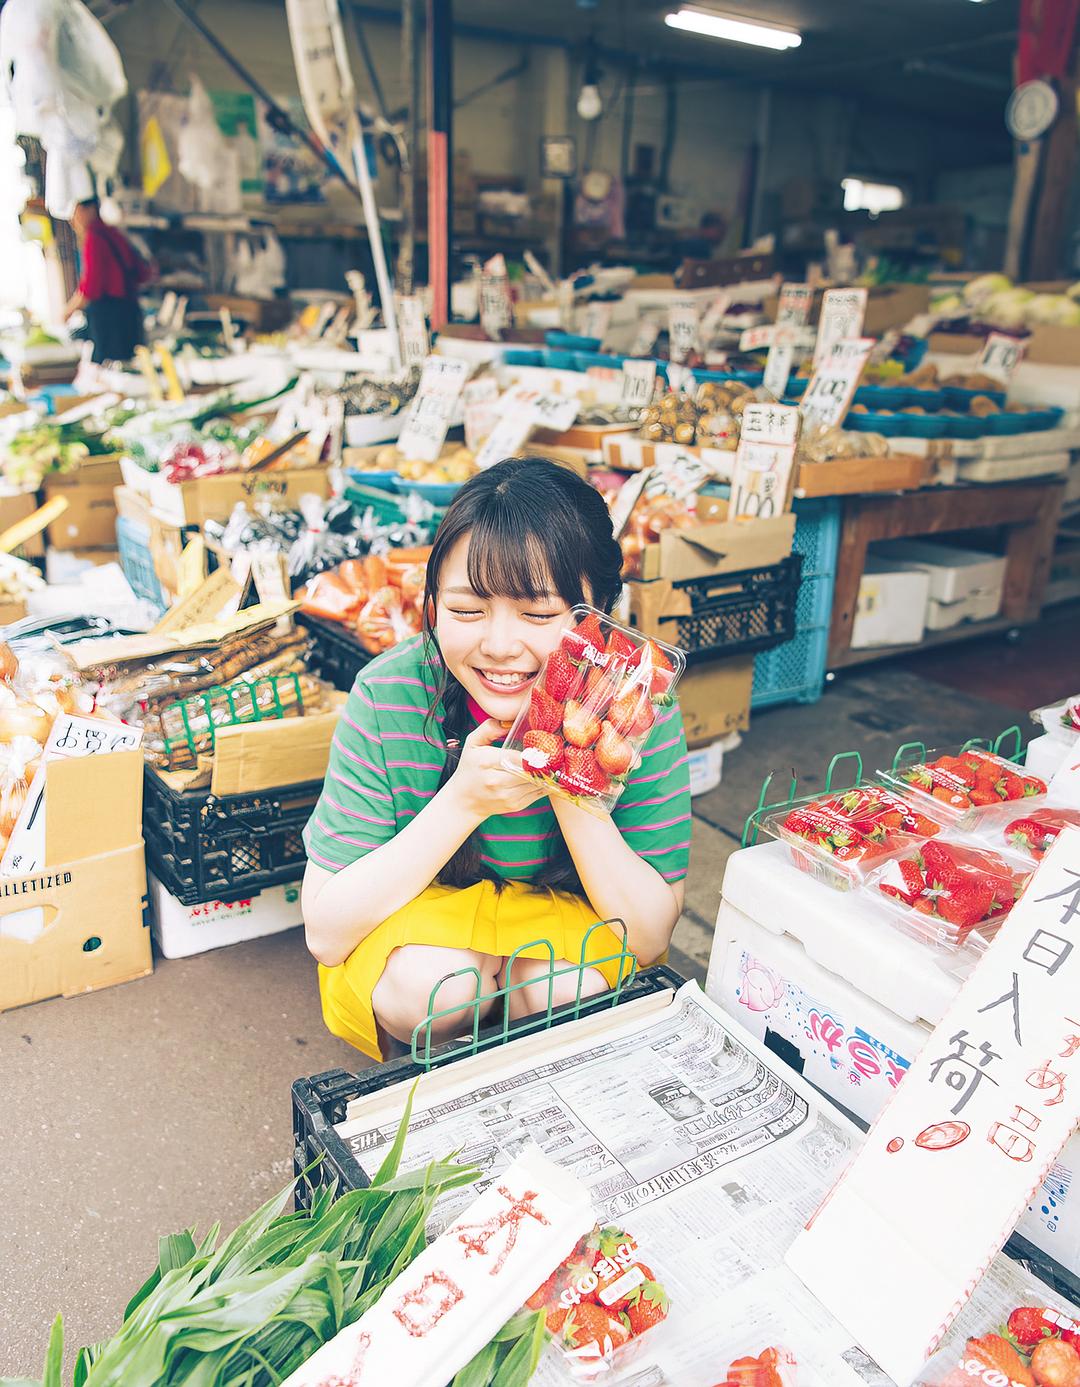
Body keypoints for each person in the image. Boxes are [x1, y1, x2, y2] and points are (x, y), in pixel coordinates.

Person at [302, 457, 691, 1061]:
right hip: (428, 931)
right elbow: (326, 932)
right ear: (431, 604)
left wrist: (568, 779)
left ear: (601, 613)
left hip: (564, 930)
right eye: (465, 610)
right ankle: (451, 1059)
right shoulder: (389, 695)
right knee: (435, 990)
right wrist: (461, 802)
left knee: (570, 989)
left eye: (539, 615)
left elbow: (646, 935)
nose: (500, 646)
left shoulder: (633, 709)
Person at [63, 198, 152, 363]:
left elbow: (91, 287)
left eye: (75, 212)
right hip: (130, 314)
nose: (72, 220)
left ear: (88, 210)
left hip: (112, 320)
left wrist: (67, 311)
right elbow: (141, 273)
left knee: (113, 370)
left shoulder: (94, 237)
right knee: (130, 366)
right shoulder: (113, 233)